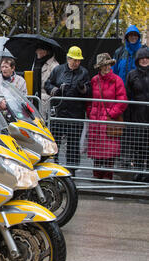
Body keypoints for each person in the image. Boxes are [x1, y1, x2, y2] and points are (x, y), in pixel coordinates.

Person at [44, 46, 91, 175]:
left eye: (78, 60)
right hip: (59, 113)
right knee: (55, 142)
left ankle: (72, 169)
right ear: (68, 58)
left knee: (73, 143)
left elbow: (89, 91)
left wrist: (82, 88)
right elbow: (47, 84)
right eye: (74, 60)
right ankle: (54, 166)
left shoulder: (84, 72)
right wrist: (55, 90)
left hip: (75, 114)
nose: (76, 63)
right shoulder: (58, 70)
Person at [86, 53, 127, 180]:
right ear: (100, 67)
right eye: (104, 65)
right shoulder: (94, 80)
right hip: (96, 121)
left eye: (108, 64)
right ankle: (97, 177)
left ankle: (108, 177)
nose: (106, 67)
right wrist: (90, 112)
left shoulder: (117, 80)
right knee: (96, 153)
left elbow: (122, 101)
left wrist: (110, 114)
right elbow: (89, 99)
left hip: (109, 121)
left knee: (109, 153)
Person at [125, 47, 149, 180]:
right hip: (138, 113)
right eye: (142, 58)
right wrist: (128, 116)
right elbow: (127, 95)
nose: (144, 60)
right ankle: (139, 170)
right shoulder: (132, 74)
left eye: (147, 58)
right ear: (137, 60)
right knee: (139, 143)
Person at [31, 43, 59, 118]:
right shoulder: (36, 63)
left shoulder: (55, 66)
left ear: (45, 52)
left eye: (39, 49)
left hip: (45, 102)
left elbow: (54, 86)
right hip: (34, 99)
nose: (36, 51)